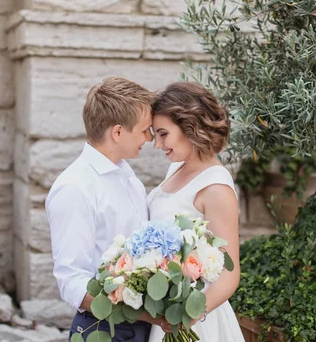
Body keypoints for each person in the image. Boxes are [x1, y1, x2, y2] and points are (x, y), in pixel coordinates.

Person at [45, 76, 160, 342]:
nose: (150, 137)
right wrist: (148, 314)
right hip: (104, 329)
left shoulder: (129, 178)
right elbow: (72, 282)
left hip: (143, 328)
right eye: (144, 129)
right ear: (117, 132)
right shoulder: (75, 187)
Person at [147, 82, 245, 341]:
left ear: (190, 127)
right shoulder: (178, 168)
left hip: (196, 323)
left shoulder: (215, 187)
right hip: (166, 313)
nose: (157, 144)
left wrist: (188, 317)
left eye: (163, 133)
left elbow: (229, 275)